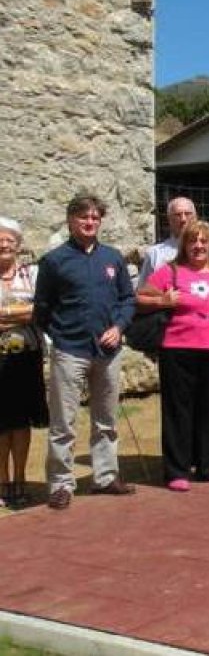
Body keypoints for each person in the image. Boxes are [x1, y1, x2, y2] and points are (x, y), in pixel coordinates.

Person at [34, 195, 137, 509]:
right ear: (70, 220)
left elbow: (127, 300)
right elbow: (42, 309)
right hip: (69, 351)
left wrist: (118, 327)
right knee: (63, 424)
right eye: (83, 217)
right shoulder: (54, 261)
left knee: (105, 420)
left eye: (95, 217)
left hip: (108, 352)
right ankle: (61, 484)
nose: (89, 222)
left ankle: (105, 477)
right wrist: (59, 339)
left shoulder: (113, 258)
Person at [139, 221, 209, 491]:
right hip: (178, 348)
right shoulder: (170, 272)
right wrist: (162, 301)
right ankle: (177, 468)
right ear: (184, 245)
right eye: (192, 241)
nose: (198, 246)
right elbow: (139, 298)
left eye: (203, 241)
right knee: (179, 409)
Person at [0, 217, 48, 509]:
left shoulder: (32, 276)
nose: (4, 245)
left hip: (26, 360)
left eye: (9, 240)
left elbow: (41, 311)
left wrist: (6, 316)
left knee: (21, 424)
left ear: (18, 245)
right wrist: (23, 312)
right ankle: (2, 482)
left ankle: (20, 479)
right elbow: (30, 311)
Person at [140, 196, 209, 282]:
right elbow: (143, 292)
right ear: (169, 220)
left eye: (188, 214)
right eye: (177, 215)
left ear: (196, 217)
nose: (183, 219)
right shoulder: (155, 254)